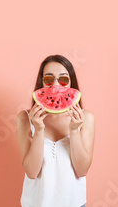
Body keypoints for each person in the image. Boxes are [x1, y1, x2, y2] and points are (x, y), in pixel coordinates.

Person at [18, 55, 92, 207]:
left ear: (72, 83)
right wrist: (38, 130)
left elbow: (82, 170)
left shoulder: (86, 118)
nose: (56, 86)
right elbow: (31, 172)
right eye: (49, 80)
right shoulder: (25, 118)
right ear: (41, 83)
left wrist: (74, 130)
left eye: (63, 79)